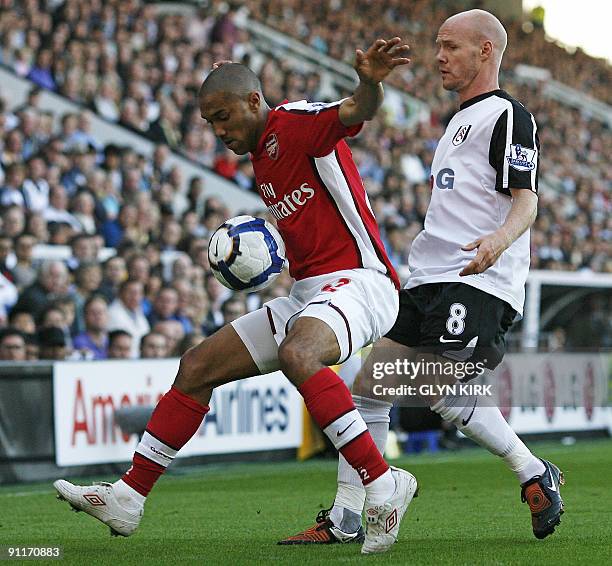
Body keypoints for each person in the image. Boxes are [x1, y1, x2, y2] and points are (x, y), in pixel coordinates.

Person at [54, 37, 416, 555]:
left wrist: (370, 81)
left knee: (299, 353)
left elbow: (356, 110)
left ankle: (383, 483)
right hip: (311, 291)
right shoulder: (259, 154)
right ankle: (128, 498)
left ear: (253, 101)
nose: (219, 132)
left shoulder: (293, 123)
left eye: (223, 117)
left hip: (363, 281)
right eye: (210, 123)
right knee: (197, 366)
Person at [281, 9, 564, 546]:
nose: (438, 56)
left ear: (485, 51)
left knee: (435, 386)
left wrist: (496, 243)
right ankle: (345, 519)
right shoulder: (457, 120)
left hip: (477, 279)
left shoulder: (507, 114)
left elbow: (527, 202)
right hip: (427, 279)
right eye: (438, 45)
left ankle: (533, 471)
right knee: (365, 391)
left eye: (451, 46)